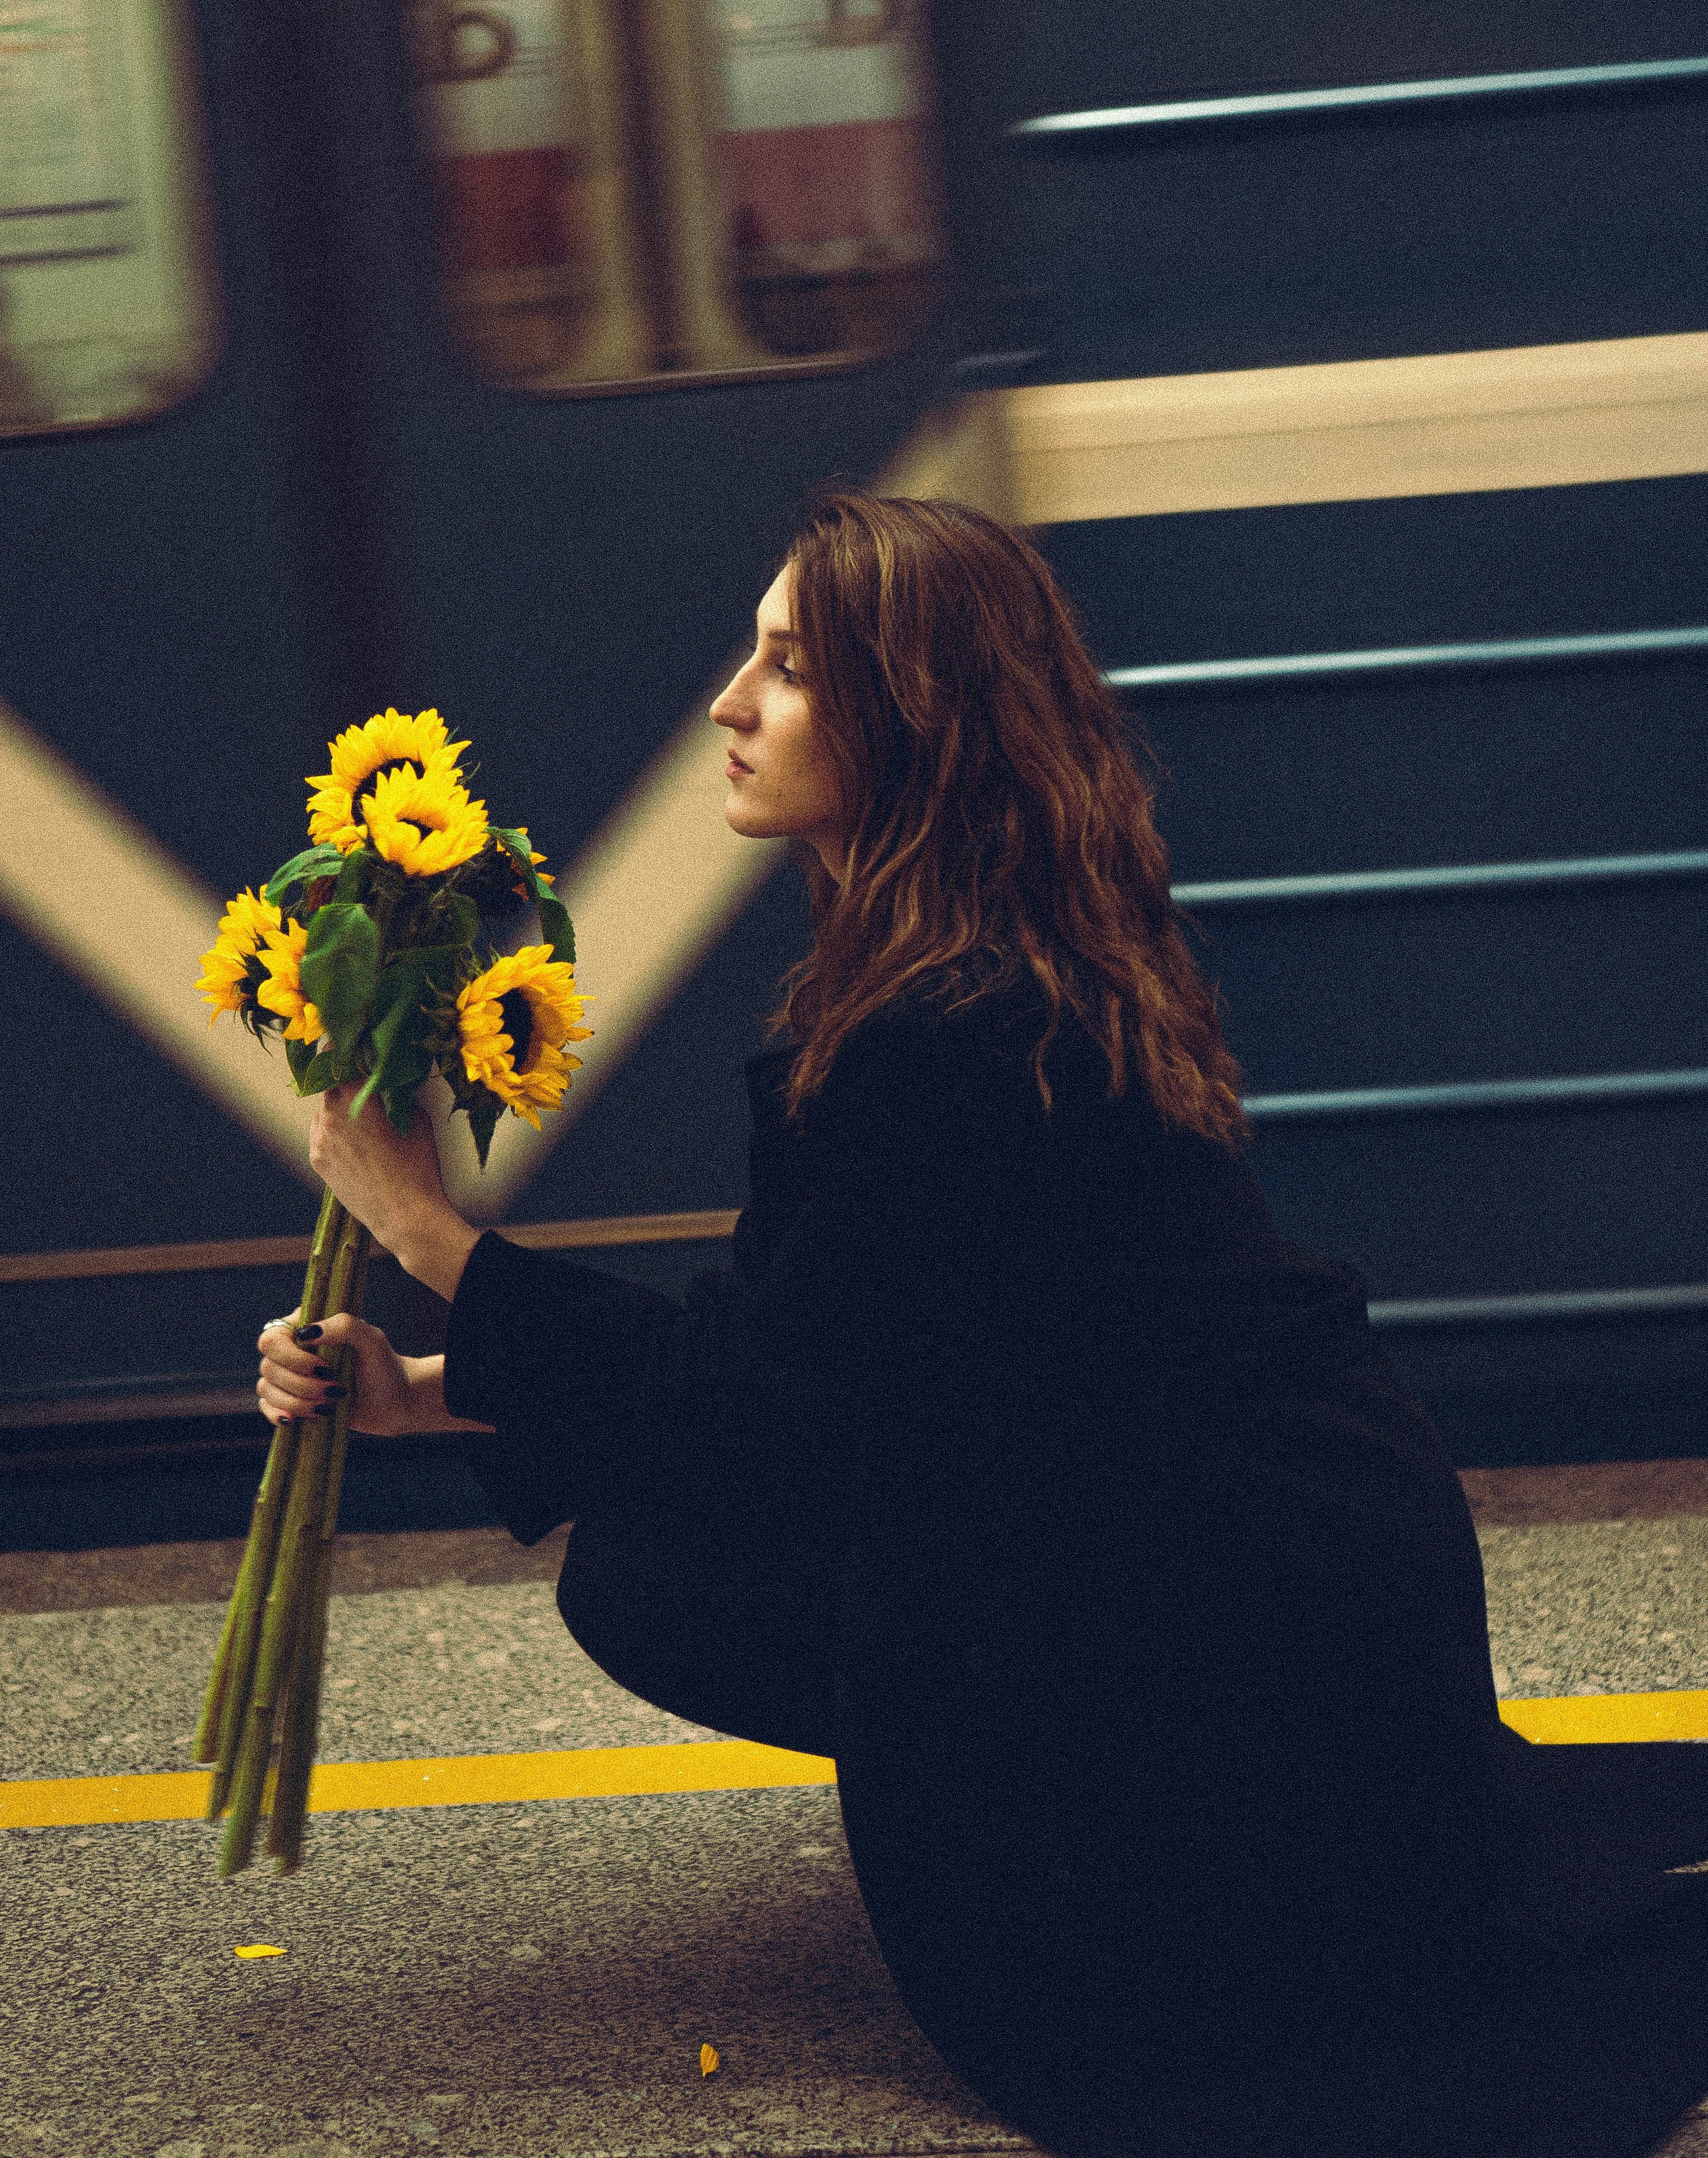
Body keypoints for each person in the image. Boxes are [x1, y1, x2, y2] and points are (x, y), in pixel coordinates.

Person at [259, 492, 1708, 2158]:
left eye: (786, 668)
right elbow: (844, 1352)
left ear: (913, 721)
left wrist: (431, 1232)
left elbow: (780, 1409)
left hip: (1222, 1633)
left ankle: (1123, 1837)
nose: (728, 703)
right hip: (1266, 1573)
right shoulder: (975, 963)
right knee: (647, 1552)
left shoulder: (949, 1026)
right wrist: (428, 1393)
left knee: (660, 1554)